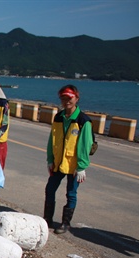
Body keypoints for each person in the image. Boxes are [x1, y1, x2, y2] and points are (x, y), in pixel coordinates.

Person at [44, 85, 93, 234]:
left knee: (71, 193)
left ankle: (66, 223)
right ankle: (47, 219)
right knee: (50, 189)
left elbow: (86, 144)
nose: (66, 101)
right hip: (58, 163)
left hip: (73, 165)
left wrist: (82, 166)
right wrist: (50, 159)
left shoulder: (83, 120)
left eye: (69, 98)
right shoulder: (58, 117)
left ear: (76, 98)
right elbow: (52, 140)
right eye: (63, 98)